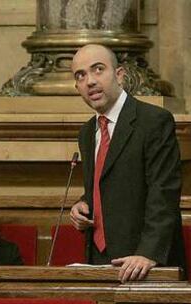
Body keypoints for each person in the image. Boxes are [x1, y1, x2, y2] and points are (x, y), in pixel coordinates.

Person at [69, 44, 185, 282]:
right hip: (100, 263)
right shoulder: (87, 132)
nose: (90, 81)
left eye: (98, 69)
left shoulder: (153, 121)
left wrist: (147, 254)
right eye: (80, 76)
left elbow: (163, 191)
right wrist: (82, 205)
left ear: (119, 75)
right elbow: (109, 181)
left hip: (146, 264)